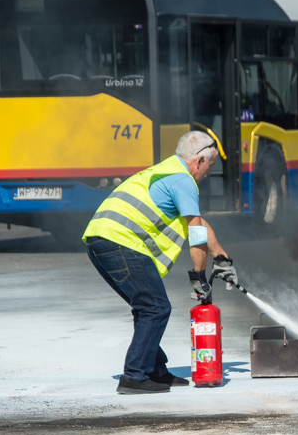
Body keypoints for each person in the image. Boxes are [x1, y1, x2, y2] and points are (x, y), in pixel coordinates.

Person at [83, 131, 239, 395]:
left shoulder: (166, 171)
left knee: (146, 307)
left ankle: (156, 370)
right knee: (155, 308)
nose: (208, 174)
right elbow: (196, 234)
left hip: (100, 240)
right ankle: (134, 376)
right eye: (210, 166)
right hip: (121, 242)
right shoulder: (184, 181)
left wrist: (221, 259)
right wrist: (199, 276)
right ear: (199, 161)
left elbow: (198, 222)